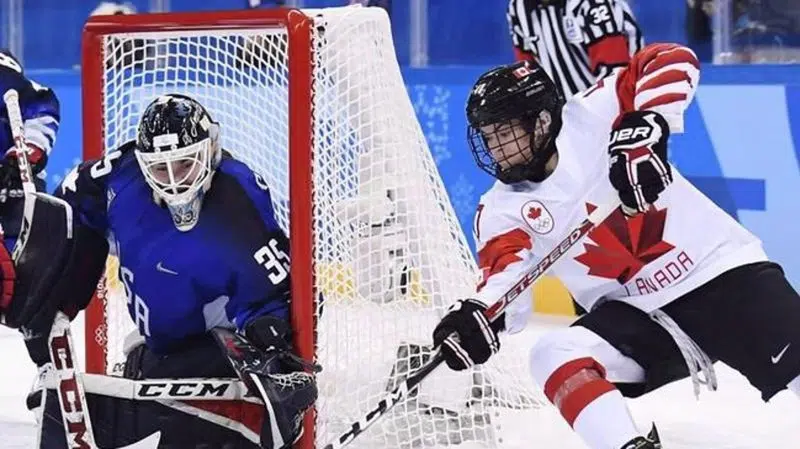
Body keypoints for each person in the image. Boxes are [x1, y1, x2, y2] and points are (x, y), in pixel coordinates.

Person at [432, 43, 800, 449]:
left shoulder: (594, 114)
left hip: (722, 275)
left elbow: (671, 57)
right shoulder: (501, 210)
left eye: (505, 134)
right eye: (488, 137)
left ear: (541, 121)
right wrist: (480, 314)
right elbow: (506, 280)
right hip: (644, 320)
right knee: (552, 352)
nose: (496, 150)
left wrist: (647, 124)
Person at [14, 93, 316, 449]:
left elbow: (274, 296)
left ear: (210, 150)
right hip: (156, 352)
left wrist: (272, 351)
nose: (175, 181)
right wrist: (40, 257)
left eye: (185, 164)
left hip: (215, 355)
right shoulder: (120, 174)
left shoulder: (238, 198)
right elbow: (71, 203)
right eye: (160, 168)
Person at [507, 0, 644, 100]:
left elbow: (615, 74)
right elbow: (528, 75)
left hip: (622, 102)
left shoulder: (593, 3)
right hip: (566, 116)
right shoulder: (518, 8)